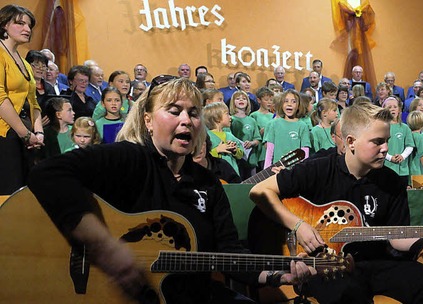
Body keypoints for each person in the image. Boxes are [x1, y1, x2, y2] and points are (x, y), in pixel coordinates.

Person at [28, 76, 314, 303]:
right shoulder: (128, 158)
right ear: (148, 121)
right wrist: (105, 247)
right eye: (174, 111)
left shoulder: (207, 183)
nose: (186, 120)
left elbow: (229, 254)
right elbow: (47, 174)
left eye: (193, 113)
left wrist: (280, 274)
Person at [249, 102, 423, 303]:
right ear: (350, 142)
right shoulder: (317, 170)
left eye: (387, 140)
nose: (386, 148)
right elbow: (259, 191)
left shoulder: (391, 181)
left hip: (376, 264)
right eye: (377, 141)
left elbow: (396, 238)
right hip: (324, 266)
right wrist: (298, 225)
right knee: (349, 295)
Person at [0, 4, 44, 194]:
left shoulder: (24, 62)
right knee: (9, 192)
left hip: (26, 135)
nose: (27, 29)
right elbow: (0, 99)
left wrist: (39, 132)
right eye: (20, 23)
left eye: (29, 25)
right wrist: (24, 133)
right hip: (6, 135)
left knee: (25, 192)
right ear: (3, 26)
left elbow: (33, 102)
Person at [262, 89, 310, 168]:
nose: (289, 104)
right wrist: (267, 170)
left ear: (298, 106)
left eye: (293, 101)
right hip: (277, 170)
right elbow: (269, 151)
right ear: (281, 104)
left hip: (295, 172)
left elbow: (305, 152)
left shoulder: (303, 126)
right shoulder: (274, 124)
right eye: (286, 101)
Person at [204, 102, 244, 177]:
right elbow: (204, 157)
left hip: (233, 174)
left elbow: (241, 155)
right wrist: (217, 150)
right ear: (217, 118)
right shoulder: (207, 136)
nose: (230, 117)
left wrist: (235, 150)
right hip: (216, 175)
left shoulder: (229, 135)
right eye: (227, 114)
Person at [382, 96, 415, 185]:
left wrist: (402, 156)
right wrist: (390, 158)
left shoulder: (405, 127)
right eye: (389, 107)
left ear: (399, 109)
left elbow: (410, 145)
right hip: (386, 167)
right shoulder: (382, 127)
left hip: (402, 170)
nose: (392, 109)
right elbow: (379, 147)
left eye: (395, 107)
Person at [229, 90, 261, 179]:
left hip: (251, 159)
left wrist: (251, 143)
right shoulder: (230, 119)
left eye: (244, 99)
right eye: (238, 99)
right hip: (236, 159)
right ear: (233, 102)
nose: (241, 100)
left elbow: (257, 139)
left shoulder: (251, 120)